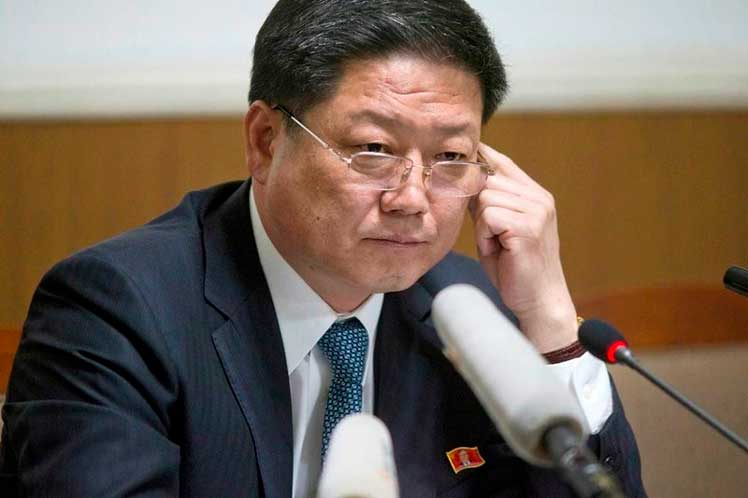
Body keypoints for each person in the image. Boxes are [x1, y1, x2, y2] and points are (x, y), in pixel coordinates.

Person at [0, 0, 645, 496]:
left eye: (451, 157)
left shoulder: (471, 312)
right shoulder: (118, 309)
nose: (413, 198)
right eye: (374, 149)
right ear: (265, 141)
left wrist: (550, 322)